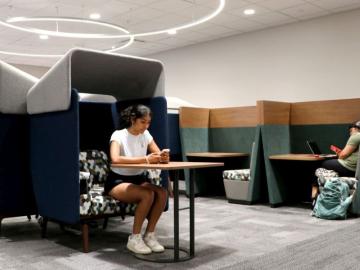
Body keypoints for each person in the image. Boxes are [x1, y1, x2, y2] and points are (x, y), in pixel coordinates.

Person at [105, 104, 169, 255]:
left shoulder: (145, 134)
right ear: (133, 119)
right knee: (147, 194)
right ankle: (134, 238)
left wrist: (162, 156)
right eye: (143, 122)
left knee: (162, 193)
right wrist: (146, 159)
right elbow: (115, 158)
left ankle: (150, 235)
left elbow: (157, 154)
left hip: (138, 178)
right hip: (117, 180)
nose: (146, 126)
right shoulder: (118, 135)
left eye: (148, 123)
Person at [311, 120, 360, 200]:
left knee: (322, 163)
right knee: (329, 164)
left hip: (348, 167)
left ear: (354, 129)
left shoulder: (356, 135)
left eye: (350, 131)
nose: (350, 134)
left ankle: (314, 188)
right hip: (355, 170)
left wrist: (339, 154)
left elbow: (343, 156)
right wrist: (340, 153)